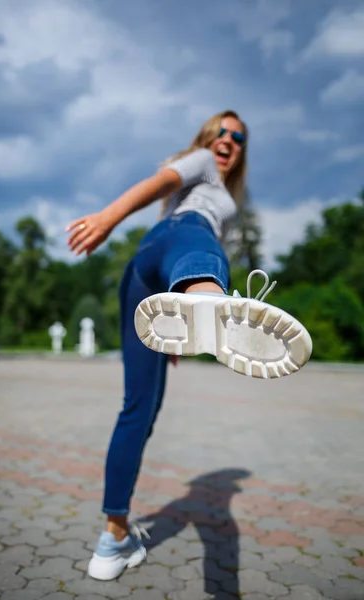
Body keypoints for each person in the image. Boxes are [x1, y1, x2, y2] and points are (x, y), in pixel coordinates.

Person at [66, 110, 312, 581]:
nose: (227, 140)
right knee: (201, 244)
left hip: (146, 274)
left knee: (139, 409)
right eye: (220, 132)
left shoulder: (227, 194)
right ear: (206, 138)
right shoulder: (200, 163)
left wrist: (182, 331)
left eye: (237, 137)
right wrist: (107, 218)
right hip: (179, 243)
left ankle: (112, 540)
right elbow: (157, 185)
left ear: (242, 150)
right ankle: (212, 304)